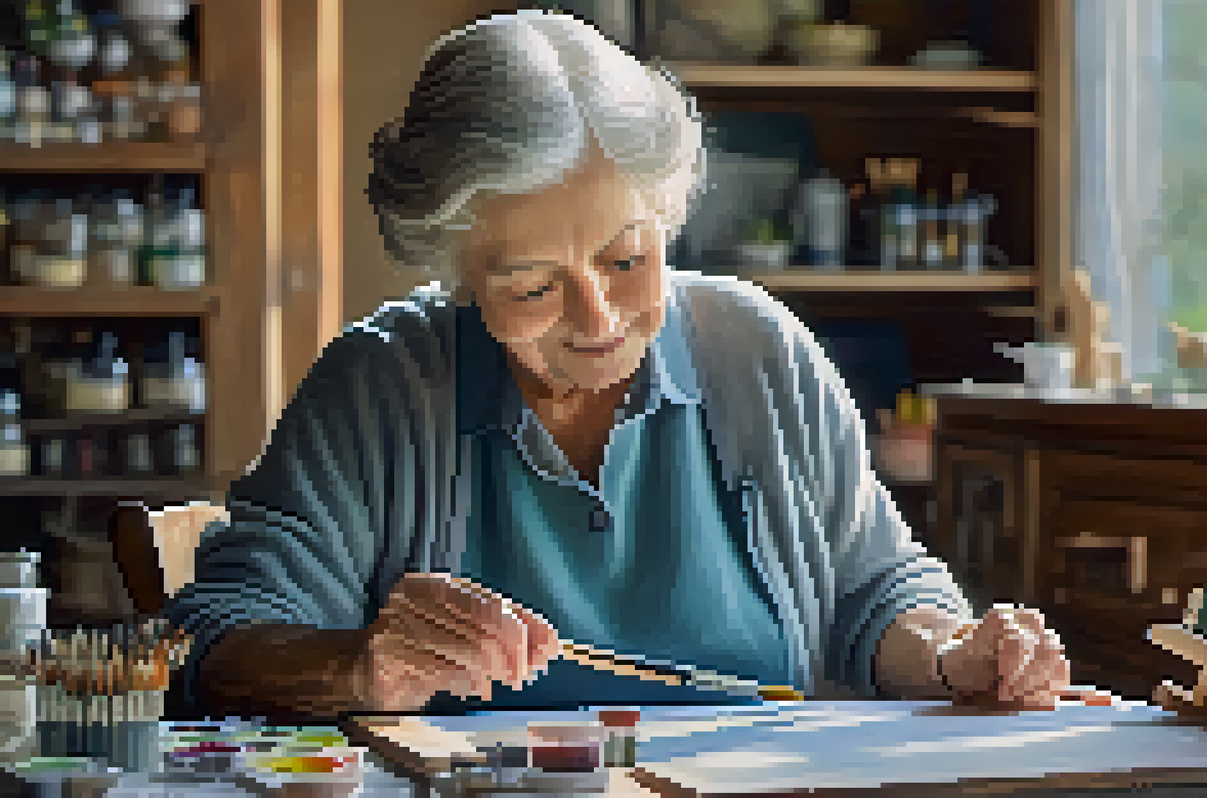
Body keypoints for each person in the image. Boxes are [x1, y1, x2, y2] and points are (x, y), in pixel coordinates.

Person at [163, 10, 1072, 718]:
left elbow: (875, 592)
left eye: (627, 259)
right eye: (529, 286)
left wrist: (954, 651)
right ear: (457, 272)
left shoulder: (760, 354)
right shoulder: (381, 387)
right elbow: (209, 644)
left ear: (666, 216)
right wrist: (359, 667)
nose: (598, 318)